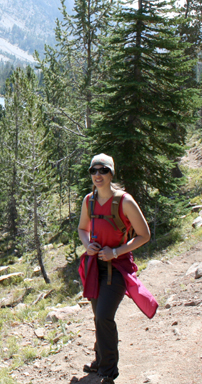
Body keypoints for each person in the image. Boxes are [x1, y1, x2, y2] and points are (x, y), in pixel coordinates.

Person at [77, 153, 157, 384]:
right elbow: (83, 228)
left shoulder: (125, 201)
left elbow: (144, 235)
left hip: (118, 268)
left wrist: (116, 252)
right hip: (95, 267)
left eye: (103, 170)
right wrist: (87, 244)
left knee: (104, 316)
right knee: (97, 316)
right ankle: (99, 360)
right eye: (94, 171)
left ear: (111, 173)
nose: (98, 175)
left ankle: (107, 371)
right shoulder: (88, 200)